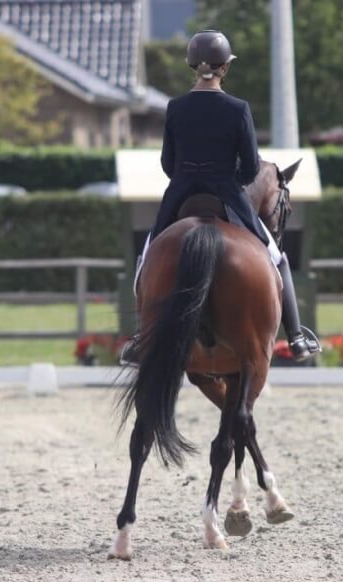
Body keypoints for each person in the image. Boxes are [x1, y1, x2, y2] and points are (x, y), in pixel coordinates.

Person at [122, 30, 320, 364]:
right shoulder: (238, 108)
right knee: (275, 257)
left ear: (191, 66)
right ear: (225, 68)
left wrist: (187, 178)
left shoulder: (175, 107)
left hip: (181, 193)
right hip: (228, 194)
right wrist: (233, 180)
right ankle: (297, 337)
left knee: (149, 255)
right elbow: (251, 166)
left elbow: (167, 163)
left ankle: (141, 337)